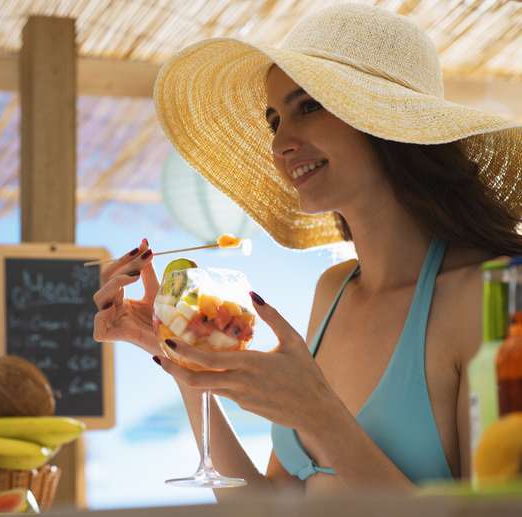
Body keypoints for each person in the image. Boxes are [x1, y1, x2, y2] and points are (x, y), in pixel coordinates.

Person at [92, 3, 521, 498]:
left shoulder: (498, 297)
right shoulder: (333, 291)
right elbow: (264, 507)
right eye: (275, 120)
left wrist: (318, 415)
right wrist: (182, 364)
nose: (280, 145)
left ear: (391, 122)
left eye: (309, 107)